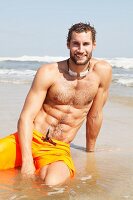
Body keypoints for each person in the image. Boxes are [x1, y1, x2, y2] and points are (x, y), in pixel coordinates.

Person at [0, 22, 112, 186]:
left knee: (51, 185)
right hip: (30, 138)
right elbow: (25, 117)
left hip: (58, 149)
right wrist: (27, 160)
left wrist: (90, 152)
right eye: (76, 43)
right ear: (68, 44)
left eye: (86, 44)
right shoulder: (49, 72)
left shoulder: (102, 72)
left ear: (94, 45)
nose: (81, 49)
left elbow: (95, 115)